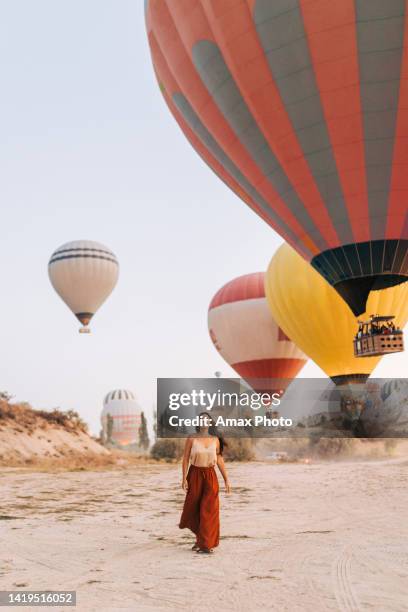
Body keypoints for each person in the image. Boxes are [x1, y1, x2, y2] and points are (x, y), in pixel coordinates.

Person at [179, 412, 231, 554]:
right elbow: (185, 459)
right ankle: (200, 539)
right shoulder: (191, 438)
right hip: (194, 474)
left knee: (209, 509)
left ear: (210, 423)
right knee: (195, 509)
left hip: (210, 476)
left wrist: (226, 479)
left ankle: (205, 545)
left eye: (206, 419)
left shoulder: (215, 440)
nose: (204, 421)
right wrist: (183, 478)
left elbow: (219, 459)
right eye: (201, 419)